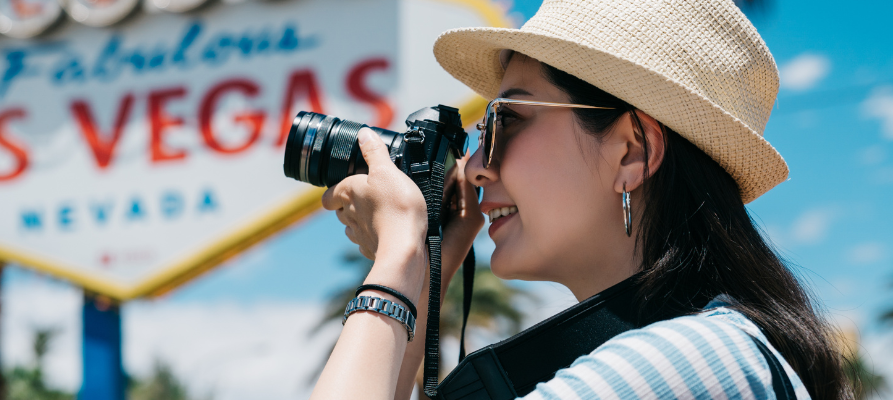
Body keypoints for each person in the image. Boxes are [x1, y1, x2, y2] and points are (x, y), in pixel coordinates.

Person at [309, 0, 851, 399]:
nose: (474, 166)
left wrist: (397, 262)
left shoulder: (695, 358)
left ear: (631, 152)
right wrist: (433, 259)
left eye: (505, 121)